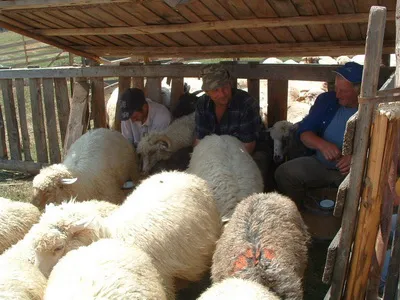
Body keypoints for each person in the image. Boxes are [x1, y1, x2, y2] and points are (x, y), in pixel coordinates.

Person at [274, 61, 364, 207]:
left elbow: (383, 147)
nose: (337, 94)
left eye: (344, 91)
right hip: (320, 164)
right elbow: (304, 132)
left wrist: (356, 158)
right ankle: (300, 214)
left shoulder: (374, 110)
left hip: (355, 173)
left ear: (359, 91)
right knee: (284, 173)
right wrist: (322, 145)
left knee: (366, 193)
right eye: (336, 88)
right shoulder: (327, 100)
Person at [194, 64, 261, 154]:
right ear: (207, 92)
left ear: (230, 84)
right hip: (217, 152)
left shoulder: (246, 104)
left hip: (248, 153)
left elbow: (248, 146)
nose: (222, 94)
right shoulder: (202, 104)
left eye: (225, 87)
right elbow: (200, 140)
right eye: (215, 90)